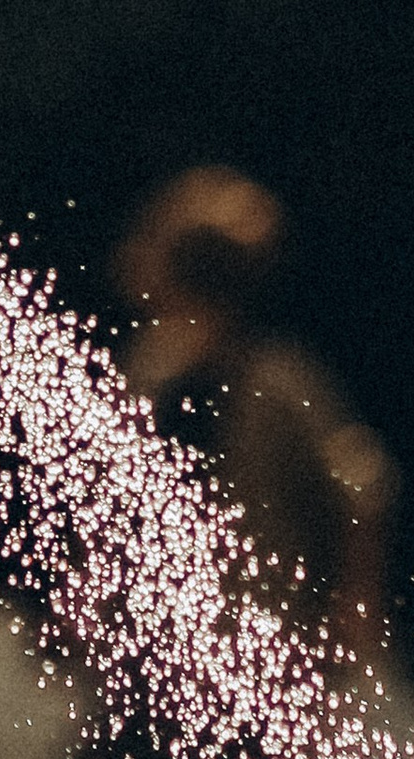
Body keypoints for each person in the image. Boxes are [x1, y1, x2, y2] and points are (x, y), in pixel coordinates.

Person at [115, 169, 397, 671]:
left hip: (260, 644)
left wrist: (352, 608)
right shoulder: (154, 378)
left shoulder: (274, 386)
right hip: (175, 645)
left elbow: (362, 491)